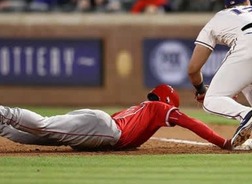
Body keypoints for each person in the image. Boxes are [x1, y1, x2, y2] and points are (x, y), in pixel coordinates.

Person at [0, 84, 233, 151]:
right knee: (43, 126)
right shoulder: (160, 109)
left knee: (44, 135)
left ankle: (2, 127)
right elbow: (193, 123)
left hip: (98, 123)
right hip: (104, 128)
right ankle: (3, 113)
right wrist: (223, 142)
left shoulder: (140, 108)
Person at [188, 0, 252, 148]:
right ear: (246, 2)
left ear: (226, 6)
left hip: (247, 47)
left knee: (212, 100)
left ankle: (246, 114)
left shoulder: (219, 17)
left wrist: (202, 90)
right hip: (246, 51)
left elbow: (193, 69)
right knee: (247, 83)